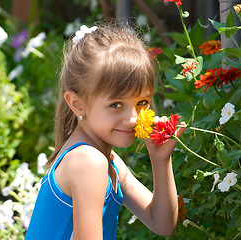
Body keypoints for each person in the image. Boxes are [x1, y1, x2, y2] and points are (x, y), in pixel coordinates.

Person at [25, 23, 185, 240]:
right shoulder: (88, 162)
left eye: (142, 102)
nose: (133, 118)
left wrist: (160, 160)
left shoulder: (107, 160)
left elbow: (162, 223)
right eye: (116, 104)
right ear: (77, 104)